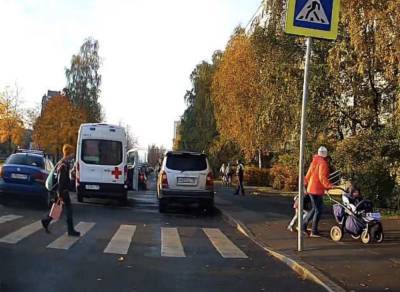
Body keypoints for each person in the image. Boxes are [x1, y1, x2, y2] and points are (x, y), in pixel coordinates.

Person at [41, 144, 80, 237]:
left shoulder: (62, 163)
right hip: (63, 191)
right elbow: (61, 180)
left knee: (57, 209)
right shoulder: (63, 164)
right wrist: (61, 193)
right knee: (68, 210)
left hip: (61, 191)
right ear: (69, 153)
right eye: (72, 153)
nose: (73, 155)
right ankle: (70, 231)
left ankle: (46, 221)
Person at [302, 146, 333, 237]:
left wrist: (305, 183)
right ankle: (313, 231)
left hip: (311, 188)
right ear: (325, 155)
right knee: (318, 210)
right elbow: (322, 177)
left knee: (315, 209)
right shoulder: (323, 163)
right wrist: (329, 186)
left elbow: (308, 174)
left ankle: (304, 226)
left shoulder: (314, 162)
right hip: (317, 189)